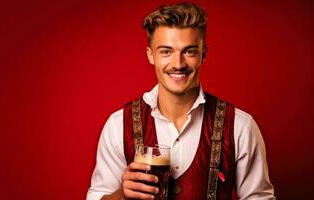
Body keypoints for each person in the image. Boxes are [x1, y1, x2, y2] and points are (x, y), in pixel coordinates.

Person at [87, 2, 275, 200]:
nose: (178, 64)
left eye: (189, 51)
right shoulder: (118, 125)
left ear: (203, 54)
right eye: (166, 51)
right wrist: (121, 196)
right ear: (151, 55)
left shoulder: (240, 126)